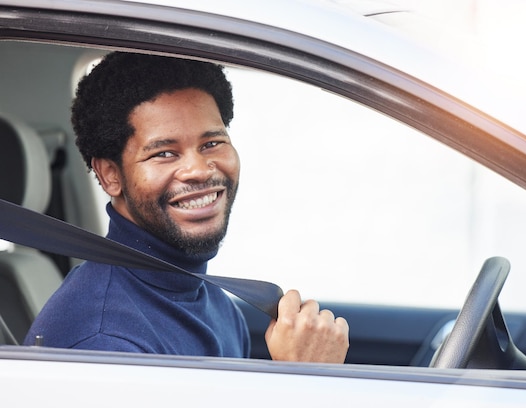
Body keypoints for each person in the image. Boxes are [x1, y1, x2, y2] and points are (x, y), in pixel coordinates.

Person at [24, 52, 349, 363]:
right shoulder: (103, 343)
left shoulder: (212, 300)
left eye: (212, 144)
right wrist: (299, 380)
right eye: (164, 153)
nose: (200, 169)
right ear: (110, 175)